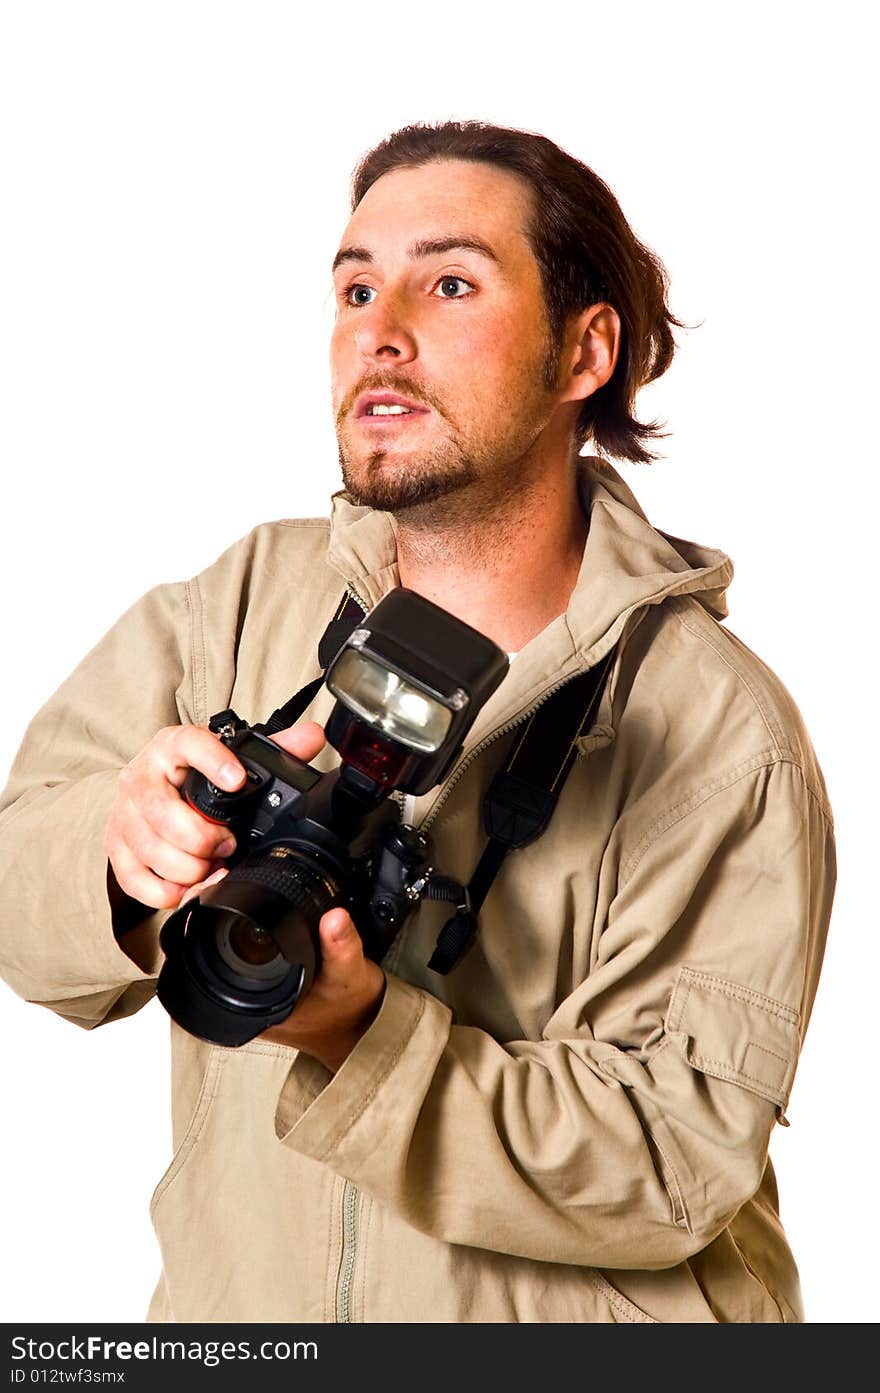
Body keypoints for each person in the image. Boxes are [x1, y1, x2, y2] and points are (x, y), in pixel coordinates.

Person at [0, 121, 835, 1324]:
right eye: (353, 286)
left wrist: (364, 1034)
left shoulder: (712, 729)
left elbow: (667, 1165)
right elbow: (27, 916)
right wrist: (121, 855)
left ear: (583, 350)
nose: (378, 332)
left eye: (448, 283)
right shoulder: (239, 606)